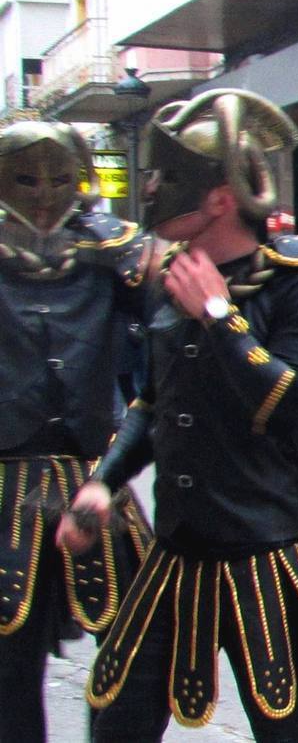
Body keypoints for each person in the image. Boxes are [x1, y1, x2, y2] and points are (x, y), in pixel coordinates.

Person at [56, 89, 298, 741]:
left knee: (283, 728)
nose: (149, 188)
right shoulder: (169, 276)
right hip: (176, 551)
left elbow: (289, 402)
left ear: (215, 198)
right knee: (115, 715)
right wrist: (104, 480)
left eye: (162, 176)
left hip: (261, 553)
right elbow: (152, 406)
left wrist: (219, 317)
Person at [0, 121, 155, 743]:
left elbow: (176, 352)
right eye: (26, 177)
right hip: (6, 478)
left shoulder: (112, 248)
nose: (43, 194)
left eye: (59, 177)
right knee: (10, 667)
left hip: (96, 476)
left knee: (138, 648)